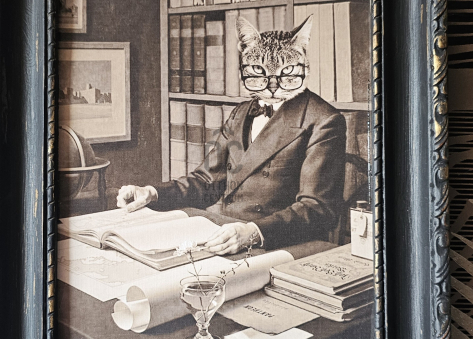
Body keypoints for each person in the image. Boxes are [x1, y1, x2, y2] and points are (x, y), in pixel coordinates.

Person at [118, 15, 346, 255]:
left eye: (286, 71)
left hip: (279, 245)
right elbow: (207, 181)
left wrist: (254, 232)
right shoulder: (241, 113)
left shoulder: (324, 120)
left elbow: (318, 209)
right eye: (258, 71)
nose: (272, 85)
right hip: (227, 235)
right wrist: (152, 193)